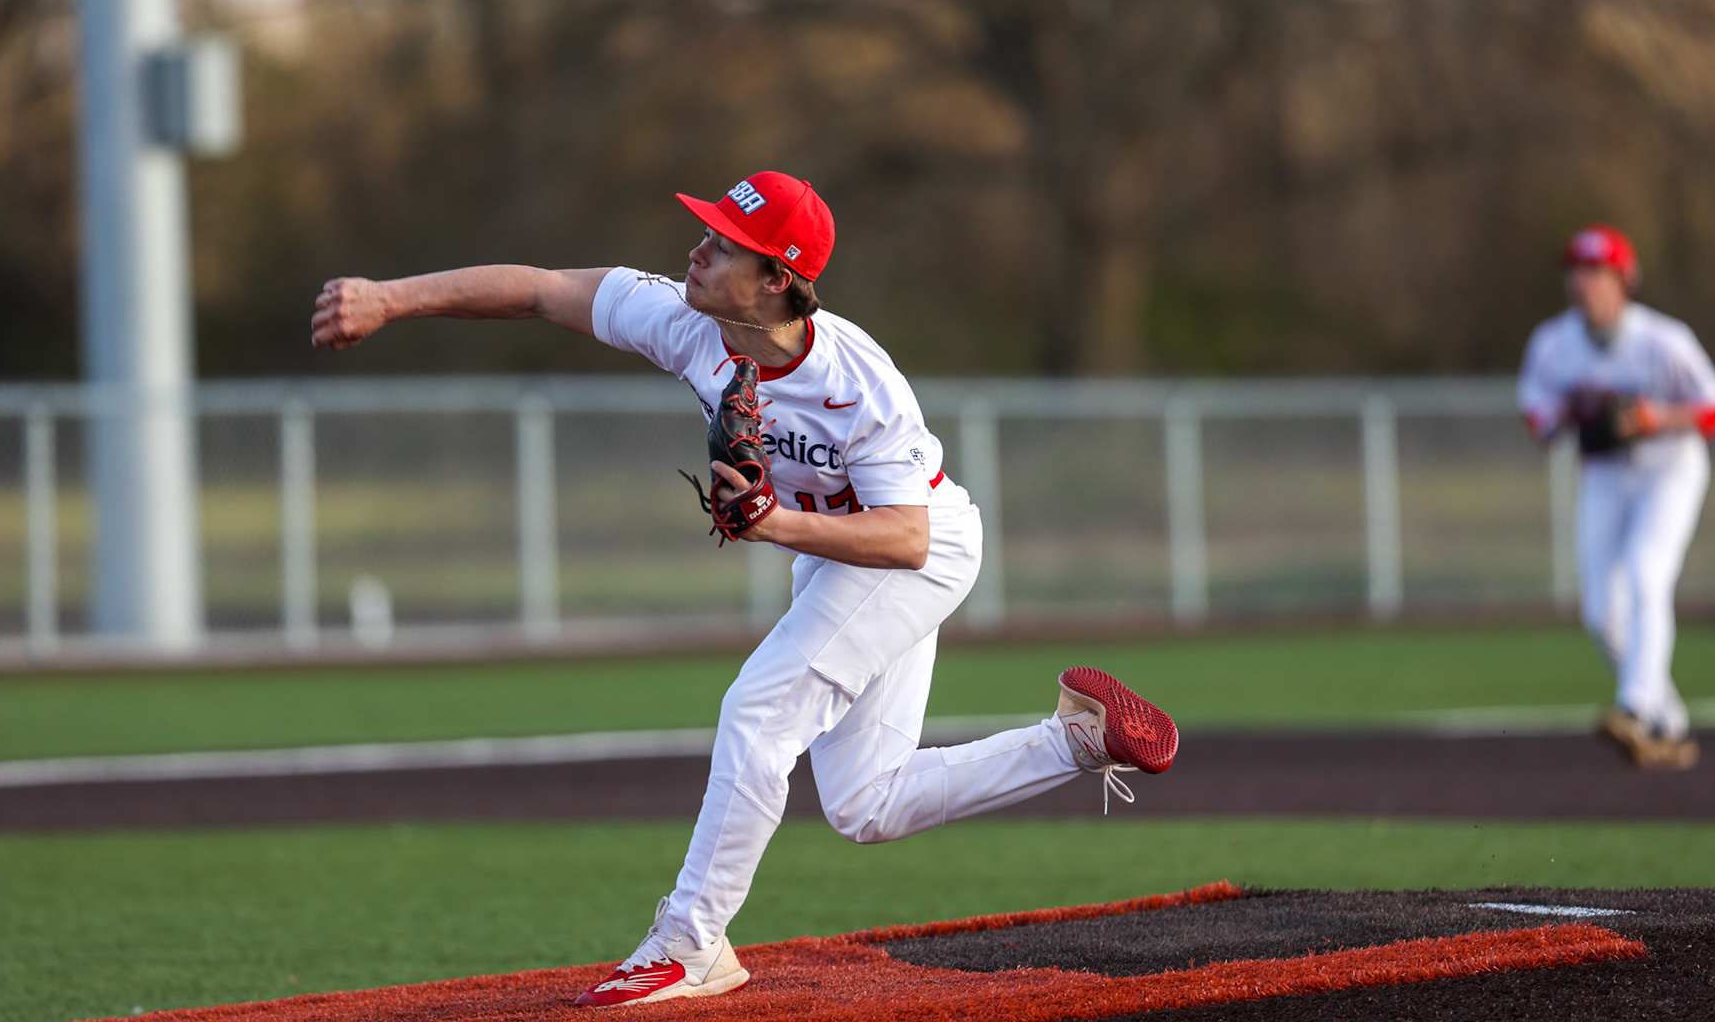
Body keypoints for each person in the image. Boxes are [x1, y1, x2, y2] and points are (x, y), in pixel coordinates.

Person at [311, 171, 1180, 1006]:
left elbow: (907, 537)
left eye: (727, 245)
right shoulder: (683, 320)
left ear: (777, 282)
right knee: (866, 806)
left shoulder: (858, 383)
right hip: (842, 553)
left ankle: (690, 944)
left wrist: (774, 525)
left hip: (917, 549)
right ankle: (1077, 742)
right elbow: (539, 289)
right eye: (709, 231)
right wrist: (391, 298)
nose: (697, 251)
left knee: (760, 710)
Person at [1517, 225, 1715, 771]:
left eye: (1597, 273)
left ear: (1624, 281)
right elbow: (1537, 413)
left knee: (1645, 573)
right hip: (1606, 476)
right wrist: (1570, 415)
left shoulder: (1664, 341)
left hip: (1669, 470)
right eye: (1577, 272)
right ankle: (1668, 720)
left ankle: (1634, 708)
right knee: (1597, 612)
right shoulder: (1554, 343)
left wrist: (1653, 417)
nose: (1584, 283)